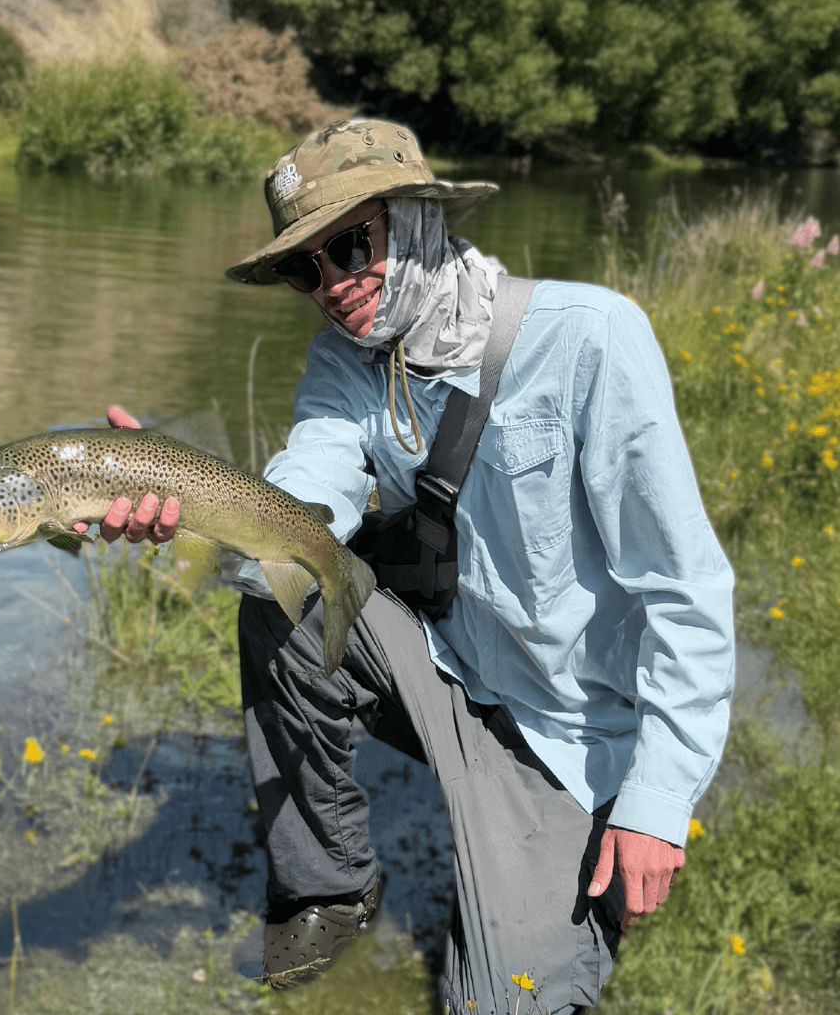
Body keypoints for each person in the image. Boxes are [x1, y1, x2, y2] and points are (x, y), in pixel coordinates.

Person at [82, 120, 735, 1014]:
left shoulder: (592, 338)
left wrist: (657, 804)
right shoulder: (344, 365)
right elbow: (302, 506)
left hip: (576, 735)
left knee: (502, 1001)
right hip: (451, 675)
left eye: (352, 244)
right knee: (286, 603)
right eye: (302, 269)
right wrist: (178, 496)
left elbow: (687, 592)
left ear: (420, 218)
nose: (333, 285)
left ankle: (565, 862)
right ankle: (331, 889)